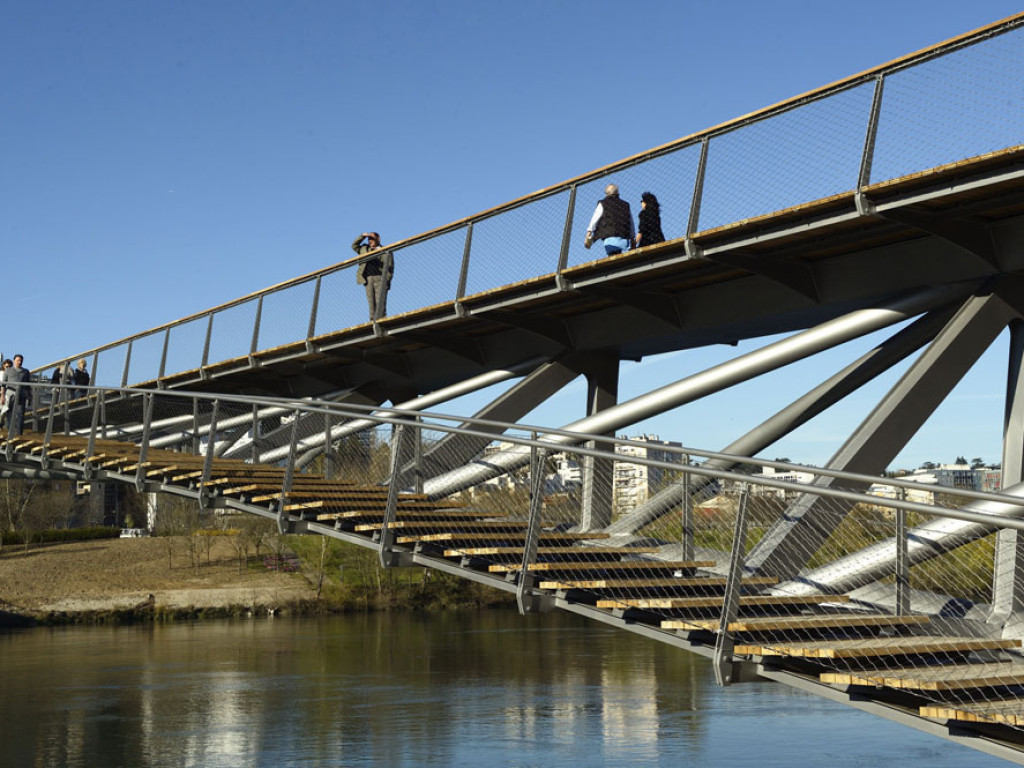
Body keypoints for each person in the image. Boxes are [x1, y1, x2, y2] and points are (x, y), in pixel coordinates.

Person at [352, 232, 394, 321]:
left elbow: (390, 267)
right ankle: (372, 322)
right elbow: (354, 246)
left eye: (372, 239)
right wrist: (362, 236)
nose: (370, 241)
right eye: (369, 239)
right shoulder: (364, 248)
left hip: (380, 278)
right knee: (371, 304)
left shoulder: (385, 250)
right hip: (367, 279)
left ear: (378, 239)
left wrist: (386, 281)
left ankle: (382, 321)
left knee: (380, 302)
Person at [584, 184, 635, 256]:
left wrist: (588, 234)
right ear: (618, 192)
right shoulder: (626, 205)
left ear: (606, 193)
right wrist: (632, 239)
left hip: (609, 240)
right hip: (623, 240)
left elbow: (594, 220)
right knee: (619, 255)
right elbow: (631, 223)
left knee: (612, 255)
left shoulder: (602, 203)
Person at [2, 354, 32, 436]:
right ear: (14, 361)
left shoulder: (26, 372)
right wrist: (2, 396)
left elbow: (28, 385)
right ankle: (9, 431)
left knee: (20, 413)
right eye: (18, 360)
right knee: (9, 413)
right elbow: (3, 384)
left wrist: (30, 396)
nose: (19, 362)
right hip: (10, 394)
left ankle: (19, 433)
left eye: (21, 360)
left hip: (21, 395)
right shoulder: (8, 371)